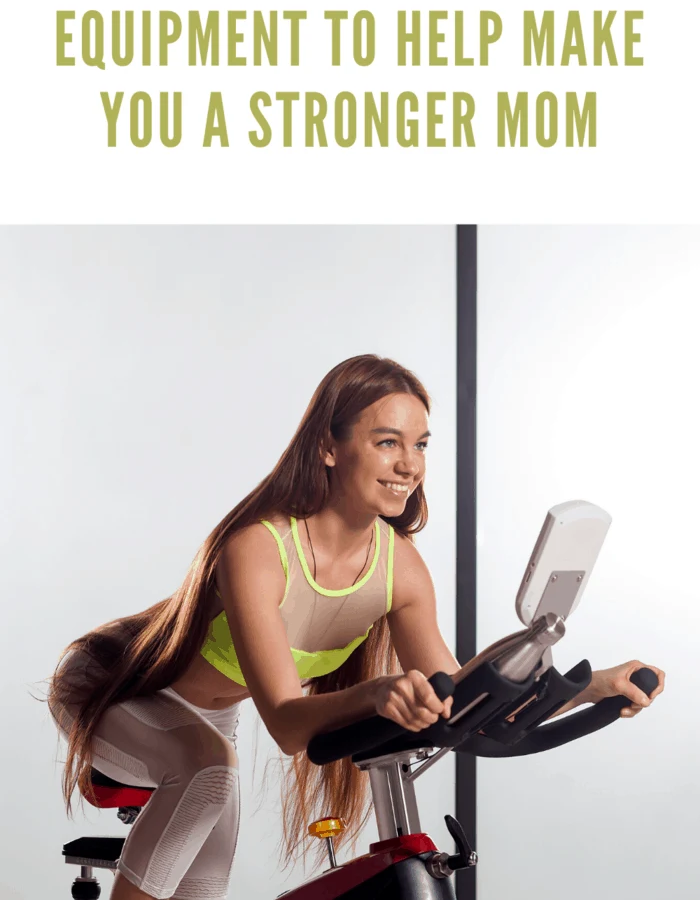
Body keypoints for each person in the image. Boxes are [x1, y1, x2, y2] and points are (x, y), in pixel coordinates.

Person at [45, 354, 665, 900]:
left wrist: (593, 686)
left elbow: (461, 697)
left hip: (207, 721)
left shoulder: (401, 570)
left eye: (421, 445)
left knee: (203, 881)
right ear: (329, 447)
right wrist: (373, 693)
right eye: (388, 442)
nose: (409, 465)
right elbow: (289, 723)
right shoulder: (258, 548)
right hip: (113, 685)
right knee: (210, 772)